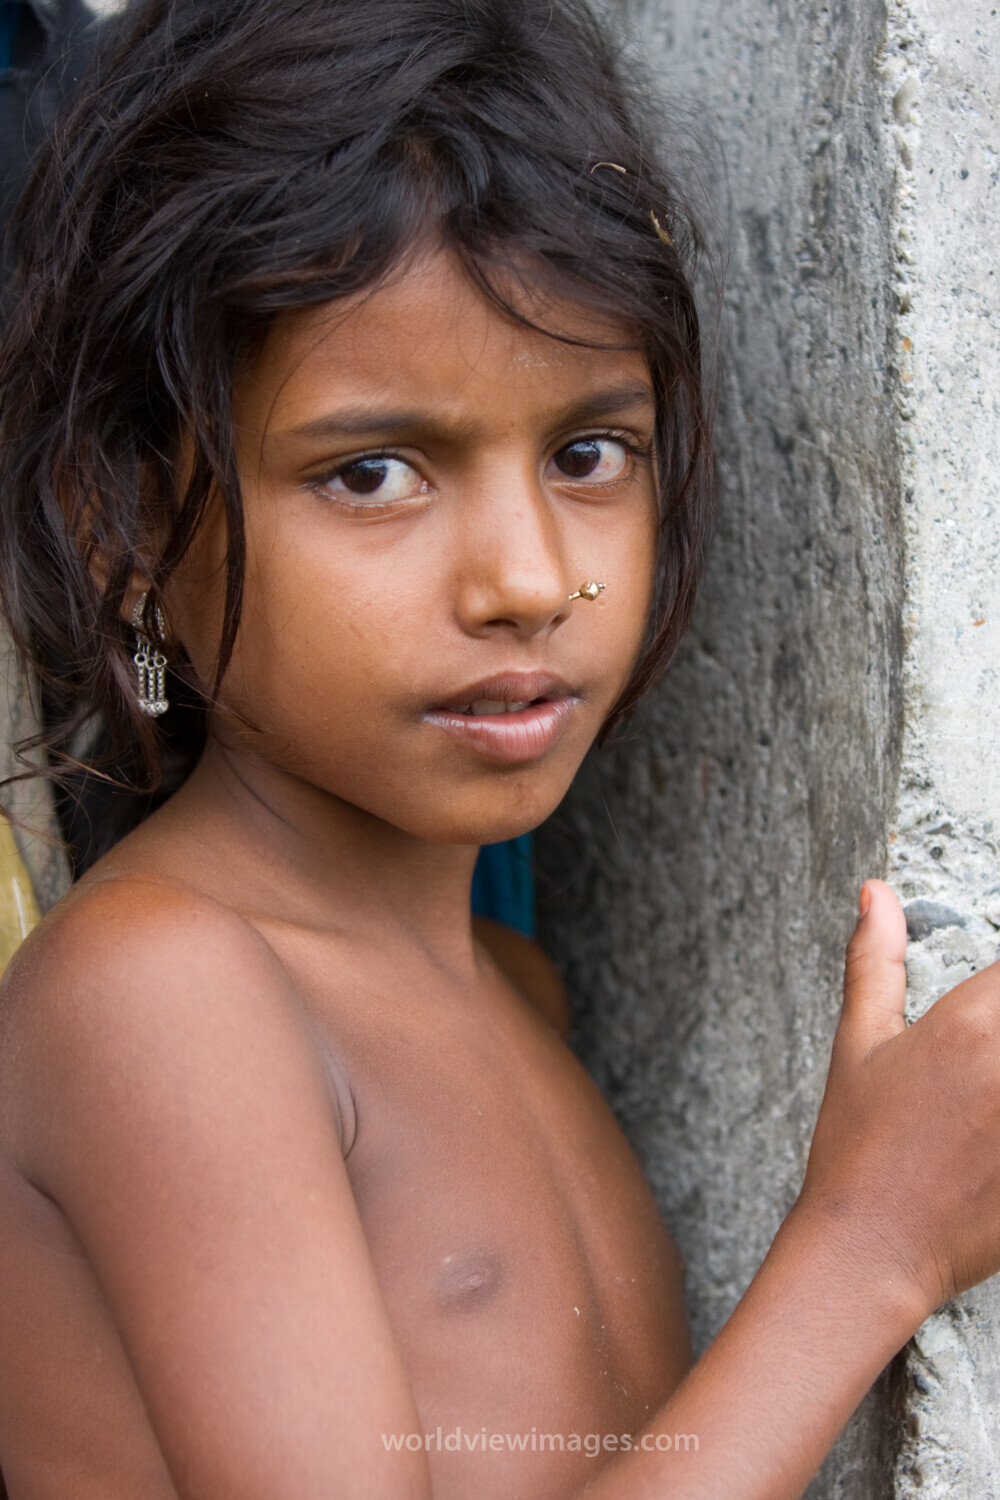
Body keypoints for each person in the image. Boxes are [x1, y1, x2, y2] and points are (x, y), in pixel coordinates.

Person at [0, 2, 998, 1497]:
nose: (529, 578)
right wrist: (869, 1244)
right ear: (126, 524)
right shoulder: (161, 996)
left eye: (588, 452)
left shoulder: (515, 991)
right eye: (377, 471)